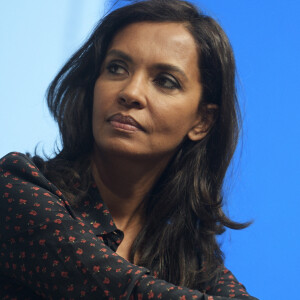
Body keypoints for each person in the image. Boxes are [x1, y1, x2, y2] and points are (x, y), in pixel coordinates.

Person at [0, 0, 258, 299]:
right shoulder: (16, 188)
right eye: (116, 68)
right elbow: (118, 290)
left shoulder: (188, 254)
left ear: (202, 120)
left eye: (165, 81)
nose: (130, 92)